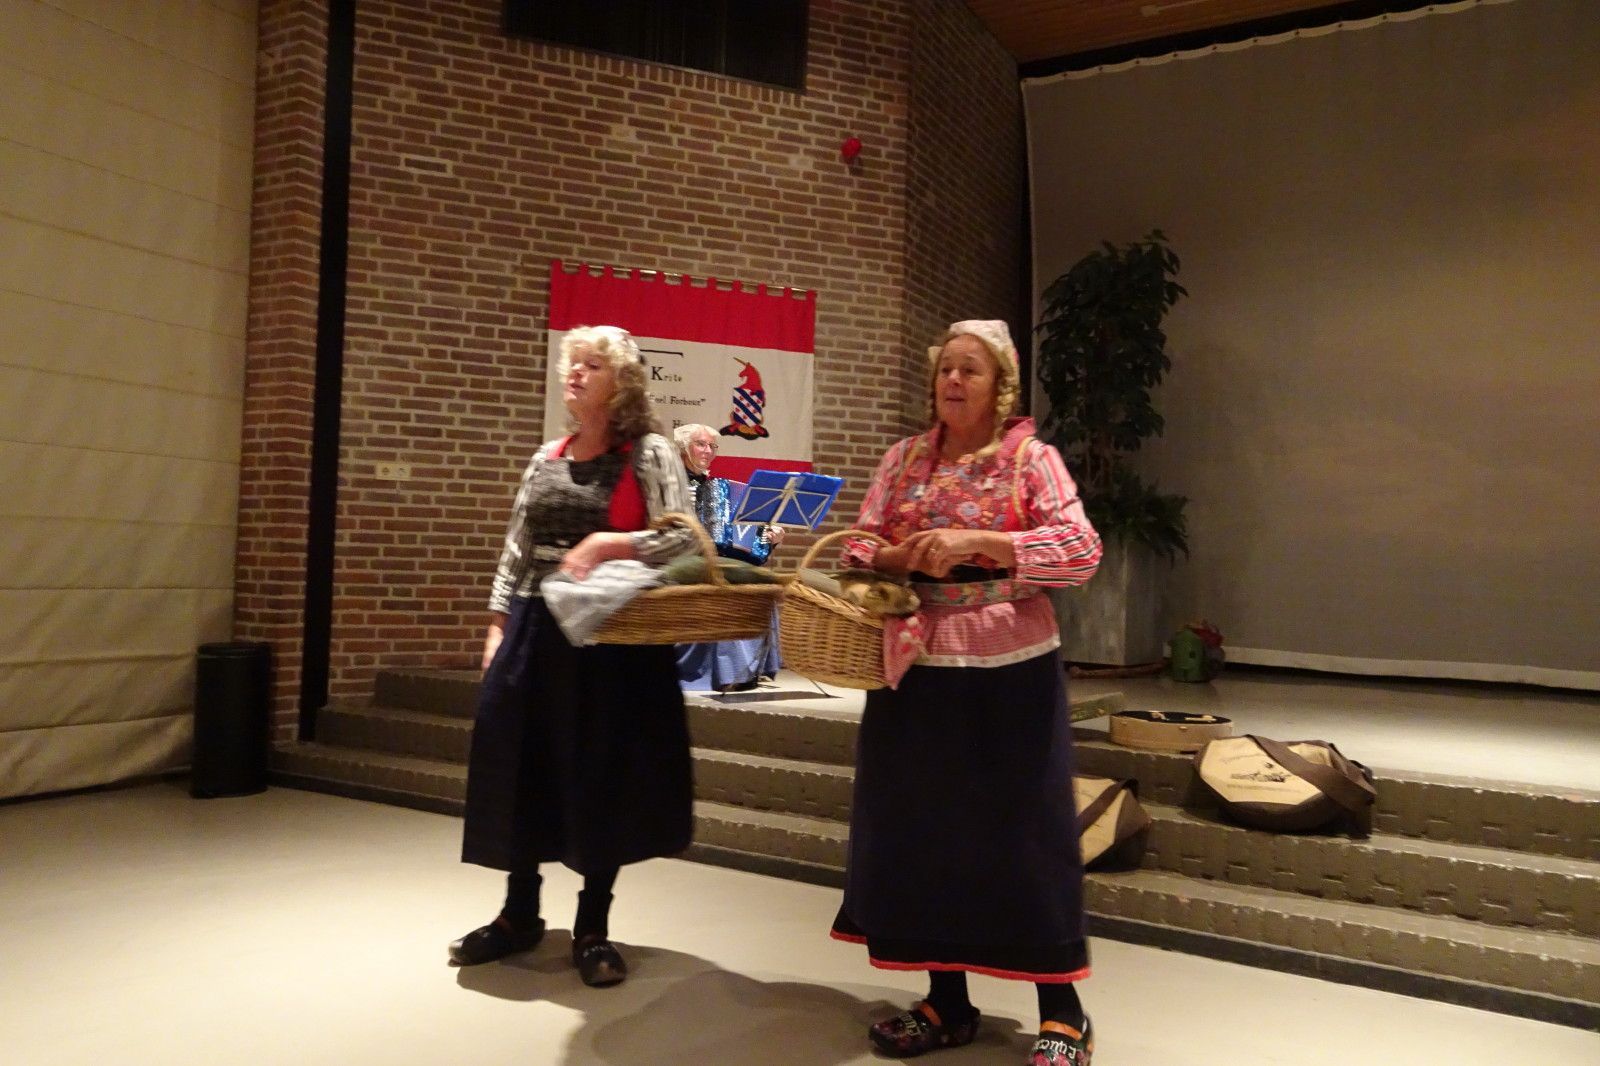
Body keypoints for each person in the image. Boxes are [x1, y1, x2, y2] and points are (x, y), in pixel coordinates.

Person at [829, 320, 1104, 1066]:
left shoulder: (1031, 461)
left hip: (1009, 674)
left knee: (1023, 835)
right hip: (916, 671)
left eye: (970, 370)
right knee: (925, 834)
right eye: (945, 368)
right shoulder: (904, 460)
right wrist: (901, 555)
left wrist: (982, 543)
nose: (953, 380)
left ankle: (1063, 1011)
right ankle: (946, 1001)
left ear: (1000, 386)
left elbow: (1081, 550)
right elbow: (857, 547)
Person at [451, 325, 694, 988]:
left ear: (623, 382)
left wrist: (611, 544)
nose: (576, 373)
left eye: (592, 365)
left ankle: (592, 927)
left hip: (610, 638)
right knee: (521, 764)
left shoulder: (649, 452)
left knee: (600, 776)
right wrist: (497, 626)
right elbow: (517, 548)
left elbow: (683, 540)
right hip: (536, 627)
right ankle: (518, 914)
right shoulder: (546, 456)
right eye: (573, 363)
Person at [671, 423, 784, 691]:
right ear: (683, 448)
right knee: (727, 580)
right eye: (701, 444)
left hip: (715, 559)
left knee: (757, 580)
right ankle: (729, 673)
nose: (708, 451)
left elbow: (743, 538)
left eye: (712, 446)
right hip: (680, 559)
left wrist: (768, 538)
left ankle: (749, 669)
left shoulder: (718, 488)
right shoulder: (673, 484)